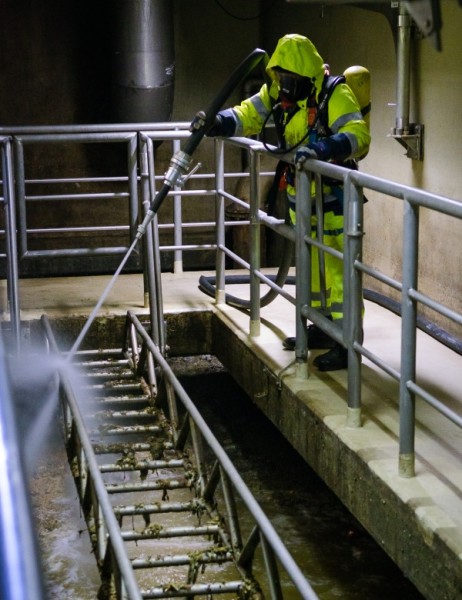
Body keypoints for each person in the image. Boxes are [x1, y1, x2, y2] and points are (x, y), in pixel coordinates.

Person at [191, 34, 370, 371]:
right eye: (281, 78)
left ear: (308, 77)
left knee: (338, 271)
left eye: (291, 80)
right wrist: (217, 123)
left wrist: (325, 149)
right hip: (303, 198)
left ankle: (348, 343)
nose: (284, 87)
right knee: (313, 267)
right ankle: (322, 328)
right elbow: (249, 114)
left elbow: (359, 135)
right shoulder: (278, 92)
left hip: (333, 198)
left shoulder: (334, 93)